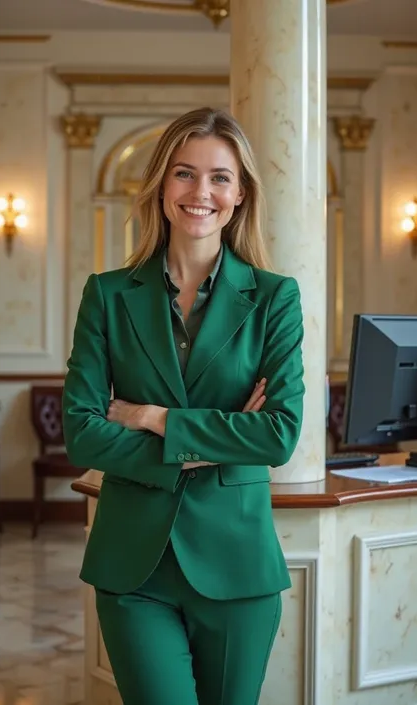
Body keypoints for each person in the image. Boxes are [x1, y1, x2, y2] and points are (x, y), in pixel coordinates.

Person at [62, 106, 305, 705]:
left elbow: (278, 436)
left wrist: (154, 418)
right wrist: (217, 440)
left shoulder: (276, 299)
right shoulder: (108, 294)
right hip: (132, 568)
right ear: (161, 186)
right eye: (184, 173)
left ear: (240, 193)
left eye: (220, 177)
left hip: (238, 566)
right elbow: (82, 434)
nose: (202, 192)